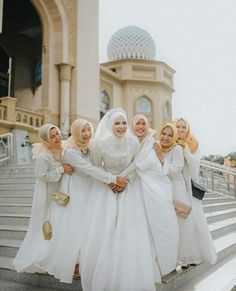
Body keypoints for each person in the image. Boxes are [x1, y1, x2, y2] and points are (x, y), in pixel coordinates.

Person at [37, 118, 128, 283]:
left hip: (89, 190)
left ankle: (86, 259)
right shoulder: (71, 151)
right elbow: (89, 168)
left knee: (88, 225)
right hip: (75, 192)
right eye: (83, 131)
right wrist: (112, 179)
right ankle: (73, 263)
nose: (87, 134)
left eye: (89, 130)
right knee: (76, 226)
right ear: (76, 132)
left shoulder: (91, 145)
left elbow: (98, 164)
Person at [80, 108, 160, 291]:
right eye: (117, 123)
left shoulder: (133, 144)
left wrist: (124, 181)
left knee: (127, 231)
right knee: (106, 229)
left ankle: (128, 271)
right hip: (105, 191)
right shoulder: (99, 144)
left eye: (124, 123)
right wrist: (110, 181)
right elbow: (94, 168)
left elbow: (135, 166)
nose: (121, 126)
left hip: (127, 191)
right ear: (110, 125)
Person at [118, 114, 179, 276]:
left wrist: (117, 179)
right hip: (131, 186)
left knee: (155, 224)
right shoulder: (125, 141)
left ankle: (159, 260)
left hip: (147, 186)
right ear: (132, 125)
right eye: (137, 123)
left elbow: (139, 164)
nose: (140, 127)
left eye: (143, 124)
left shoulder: (151, 143)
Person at [13, 124, 74, 273]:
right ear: (46, 139)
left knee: (60, 222)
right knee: (48, 223)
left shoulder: (63, 148)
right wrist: (61, 169)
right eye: (52, 136)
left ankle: (57, 254)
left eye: (57, 134)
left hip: (60, 190)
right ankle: (42, 256)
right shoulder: (43, 155)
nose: (57, 138)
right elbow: (42, 176)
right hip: (47, 192)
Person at [156, 122, 202, 268]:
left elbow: (176, 170)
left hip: (177, 189)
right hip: (162, 189)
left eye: (170, 135)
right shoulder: (156, 147)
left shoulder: (177, 149)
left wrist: (161, 159)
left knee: (182, 225)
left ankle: (183, 258)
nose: (166, 137)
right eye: (164, 134)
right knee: (167, 225)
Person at [173, 117, 217, 265]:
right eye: (177, 126)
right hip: (173, 186)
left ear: (187, 129)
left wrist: (185, 149)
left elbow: (193, 168)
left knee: (190, 222)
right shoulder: (169, 141)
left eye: (183, 127)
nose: (180, 130)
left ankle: (189, 255)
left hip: (187, 188)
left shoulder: (192, 144)